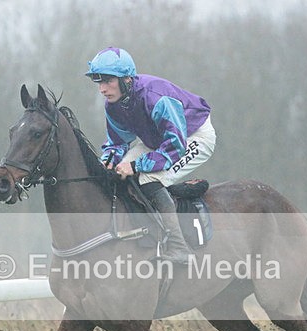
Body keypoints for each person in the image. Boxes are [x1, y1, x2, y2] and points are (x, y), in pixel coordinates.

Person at [85, 46, 216, 264]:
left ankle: (179, 246)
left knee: (147, 177)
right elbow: (117, 143)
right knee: (119, 172)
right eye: (99, 82)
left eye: (108, 81)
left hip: (193, 137)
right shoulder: (113, 105)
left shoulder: (156, 97)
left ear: (126, 79)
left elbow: (175, 146)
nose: (102, 89)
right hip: (157, 140)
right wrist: (108, 162)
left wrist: (136, 167)